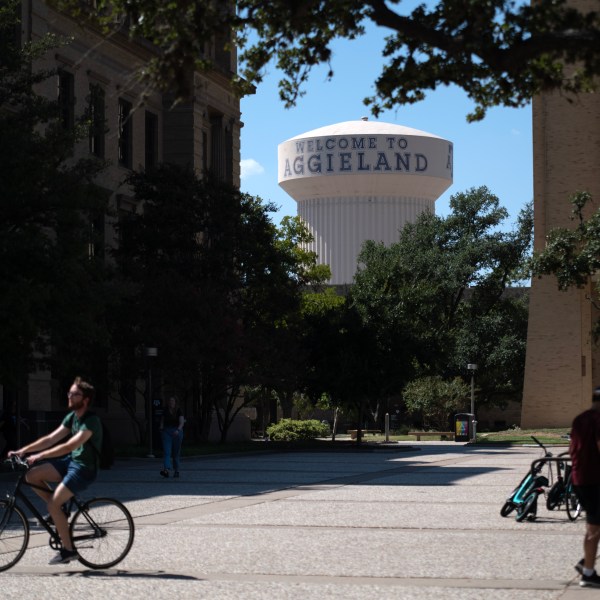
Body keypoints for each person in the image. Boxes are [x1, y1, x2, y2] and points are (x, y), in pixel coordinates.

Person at [8, 377, 102, 565]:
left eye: (74, 394)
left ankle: (69, 551)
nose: (69, 396)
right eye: (69, 393)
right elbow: (51, 438)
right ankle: (57, 509)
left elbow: (69, 445)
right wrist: (24, 451)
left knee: (52, 505)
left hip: (84, 469)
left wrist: (40, 456)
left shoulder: (91, 421)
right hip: (70, 462)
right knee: (32, 476)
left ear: (85, 400)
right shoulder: (72, 417)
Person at [570, 385, 600, 587]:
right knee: (594, 528)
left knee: (594, 525)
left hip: (579, 479)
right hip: (596, 480)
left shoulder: (580, 419)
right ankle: (588, 573)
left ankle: (586, 563)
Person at [159, 396, 184, 478]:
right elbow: (162, 421)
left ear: (175, 402)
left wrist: (178, 430)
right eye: (169, 401)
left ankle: (176, 470)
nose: (171, 402)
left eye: (172, 401)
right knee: (167, 452)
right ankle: (166, 470)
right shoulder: (165, 410)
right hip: (167, 432)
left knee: (175, 454)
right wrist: (161, 428)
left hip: (177, 432)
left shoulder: (179, 410)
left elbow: (181, 422)